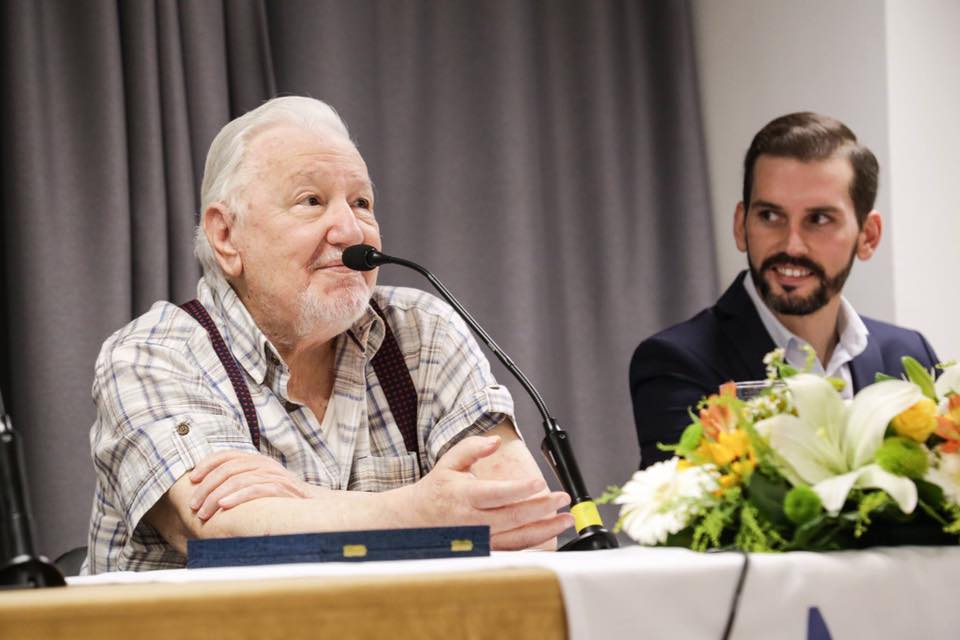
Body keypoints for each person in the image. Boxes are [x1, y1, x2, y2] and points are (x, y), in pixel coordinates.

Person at [83, 96, 573, 573]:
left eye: (361, 202)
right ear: (226, 236)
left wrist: (300, 505)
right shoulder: (153, 355)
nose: (350, 230)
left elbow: (524, 519)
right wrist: (423, 513)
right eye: (311, 201)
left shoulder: (424, 331)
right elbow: (224, 531)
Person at [630, 112, 938, 469]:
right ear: (741, 225)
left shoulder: (909, 354)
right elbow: (685, 518)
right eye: (770, 216)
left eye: (819, 219)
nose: (792, 245)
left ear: (867, 236)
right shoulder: (677, 362)